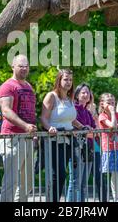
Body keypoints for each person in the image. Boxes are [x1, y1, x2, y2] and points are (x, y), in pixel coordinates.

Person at [0, 55, 37, 202]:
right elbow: (6, 111)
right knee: (11, 181)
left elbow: (30, 112)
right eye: (21, 66)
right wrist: (26, 126)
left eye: (26, 65)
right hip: (12, 138)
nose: (24, 68)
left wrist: (32, 131)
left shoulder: (28, 86)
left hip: (26, 139)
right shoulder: (7, 86)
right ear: (12, 67)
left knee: (27, 183)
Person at [41, 69, 81, 202]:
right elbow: (44, 118)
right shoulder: (51, 96)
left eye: (70, 79)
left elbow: (70, 118)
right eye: (66, 79)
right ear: (59, 80)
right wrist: (49, 127)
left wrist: (81, 126)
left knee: (68, 174)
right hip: (54, 140)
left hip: (68, 141)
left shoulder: (70, 98)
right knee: (58, 175)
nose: (69, 82)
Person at [67, 83, 96, 202]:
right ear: (77, 95)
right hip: (76, 147)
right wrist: (87, 130)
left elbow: (95, 131)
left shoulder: (88, 112)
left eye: (87, 92)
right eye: (83, 92)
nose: (85, 95)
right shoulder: (73, 109)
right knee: (75, 182)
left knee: (84, 184)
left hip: (88, 148)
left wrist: (88, 130)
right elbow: (75, 129)